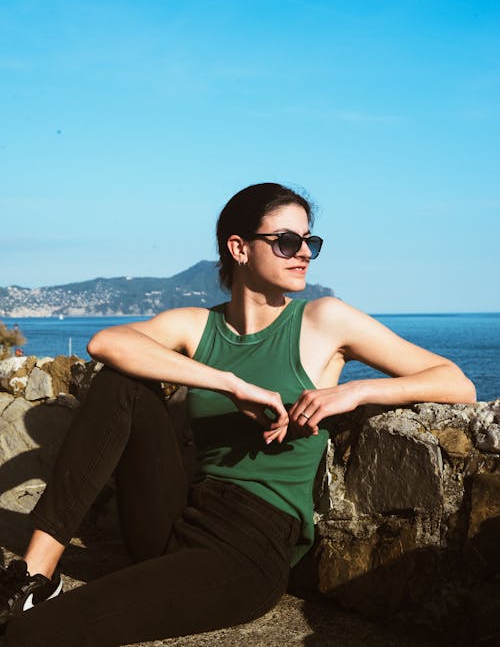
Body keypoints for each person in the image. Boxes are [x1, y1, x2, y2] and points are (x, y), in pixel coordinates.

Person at [0, 182, 475, 646]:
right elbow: (106, 344)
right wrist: (232, 384)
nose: (304, 252)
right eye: (288, 241)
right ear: (239, 248)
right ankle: (35, 576)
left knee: (36, 635)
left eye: (311, 241)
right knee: (122, 380)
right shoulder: (199, 325)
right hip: (176, 516)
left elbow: (457, 383)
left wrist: (354, 392)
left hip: (248, 547)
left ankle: (32, 611)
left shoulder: (323, 320)